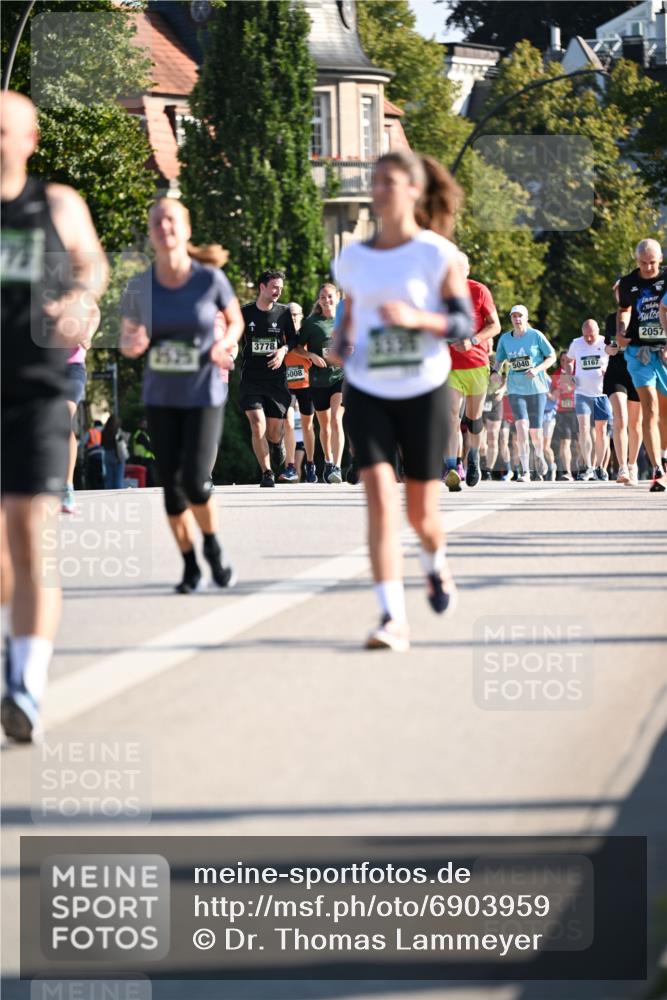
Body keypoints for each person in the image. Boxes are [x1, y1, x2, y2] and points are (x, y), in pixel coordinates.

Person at [333, 150, 472, 651]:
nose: (381, 190)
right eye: (376, 181)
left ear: (413, 190)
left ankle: (435, 564)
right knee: (377, 500)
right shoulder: (352, 257)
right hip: (368, 388)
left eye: (390, 181)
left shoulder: (437, 254)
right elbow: (352, 318)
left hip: (423, 389)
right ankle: (392, 617)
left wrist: (419, 321)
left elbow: (462, 323)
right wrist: (340, 341)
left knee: (421, 517)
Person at [1, 91, 106, 742]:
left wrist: (76, 296)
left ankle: (26, 687)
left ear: (30, 138)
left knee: (31, 530)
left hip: (39, 390)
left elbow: (91, 264)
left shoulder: (56, 204)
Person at [120, 197, 243, 593]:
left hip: (203, 393)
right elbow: (126, 337)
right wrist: (133, 343)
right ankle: (190, 565)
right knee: (170, 489)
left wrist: (224, 343)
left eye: (171, 220)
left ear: (186, 229)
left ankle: (211, 544)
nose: (164, 227)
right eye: (157, 221)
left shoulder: (209, 279)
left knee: (194, 482)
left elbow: (236, 319)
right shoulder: (140, 285)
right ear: (151, 232)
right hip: (162, 396)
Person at [443, 253, 500, 491]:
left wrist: (473, 340)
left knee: (474, 420)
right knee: (451, 416)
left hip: (476, 364)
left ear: (467, 270)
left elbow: (495, 326)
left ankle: (474, 457)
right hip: (448, 365)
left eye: (459, 268)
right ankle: (451, 467)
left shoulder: (479, 291)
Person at [239, 270, 298, 488]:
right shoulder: (244, 313)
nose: (278, 291)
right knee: (257, 425)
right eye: (274, 287)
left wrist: (283, 350)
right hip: (252, 379)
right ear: (262, 287)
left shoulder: (284, 313)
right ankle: (267, 472)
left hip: (276, 380)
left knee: (274, 432)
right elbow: (233, 337)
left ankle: (276, 444)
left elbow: (294, 340)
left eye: (281, 288)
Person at [617, 238, 667, 492]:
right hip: (639, 352)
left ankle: (665, 457)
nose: (648, 268)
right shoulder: (628, 283)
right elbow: (624, 309)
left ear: (660, 260)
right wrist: (621, 328)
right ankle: (657, 468)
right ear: (636, 260)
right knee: (650, 406)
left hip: (665, 351)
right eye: (643, 263)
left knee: (665, 414)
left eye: (653, 263)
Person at [491, 305, 556, 483]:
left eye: (520, 316)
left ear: (526, 318)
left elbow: (552, 357)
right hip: (515, 389)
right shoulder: (505, 339)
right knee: (521, 428)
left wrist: (537, 369)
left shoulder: (536, 335)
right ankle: (525, 471)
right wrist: (495, 372)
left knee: (535, 432)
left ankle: (539, 455)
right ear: (511, 319)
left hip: (537, 389)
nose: (517, 319)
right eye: (514, 316)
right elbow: (499, 361)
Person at [297, 283, 345, 484]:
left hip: (340, 377)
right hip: (318, 380)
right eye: (323, 297)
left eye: (330, 297)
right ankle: (328, 460)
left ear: (337, 297)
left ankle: (337, 467)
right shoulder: (311, 323)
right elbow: (297, 347)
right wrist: (311, 356)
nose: (327, 301)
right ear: (319, 300)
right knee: (324, 427)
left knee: (336, 419)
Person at [603, 281, 642, 487]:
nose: (620, 294)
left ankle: (633, 464)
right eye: (617, 291)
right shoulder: (611, 319)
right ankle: (622, 467)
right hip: (616, 372)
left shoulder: (643, 318)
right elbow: (608, 347)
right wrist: (612, 348)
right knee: (621, 419)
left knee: (635, 424)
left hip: (638, 372)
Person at [566, 319, 611, 481]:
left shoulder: (606, 342)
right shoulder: (576, 343)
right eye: (586, 336)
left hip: (602, 393)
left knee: (601, 429)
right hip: (582, 393)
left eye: (591, 336)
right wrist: (570, 374)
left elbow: (615, 359)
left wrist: (608, 370)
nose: (589, 339)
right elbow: (568, 359)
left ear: (598, 331)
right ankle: (588, 467)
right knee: (583, 427)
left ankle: (600, 467)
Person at [281, 302, 317, 483]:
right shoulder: (281, 334)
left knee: (307, 426)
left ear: (302, 316)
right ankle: (290, 467)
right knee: (288, 422)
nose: (293, 317)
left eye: (296, 314)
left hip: (306, 386)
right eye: (290, 314)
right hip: (287, 386)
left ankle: (310, 464)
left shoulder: (307, 334)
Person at [61, 345, 88, 513]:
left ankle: (67, 487)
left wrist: (88, 331)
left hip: (73, 368)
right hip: (43, 366)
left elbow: (92, 319)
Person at [550, 352, 578, 481]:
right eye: (562, 360)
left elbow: (579, 386)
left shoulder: (578, 371)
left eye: (568, 360)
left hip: (579, 411)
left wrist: (570, 385)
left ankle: (584, 469)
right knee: (565, 442)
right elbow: (554, 395)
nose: (565, 363)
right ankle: (567, 472)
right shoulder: (556, 374)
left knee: (579, 444)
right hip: (563, 412)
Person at [481, 354, 507, 480]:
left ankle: (488, 471)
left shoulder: (500, 358)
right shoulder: (479, 357)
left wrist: (502, 390)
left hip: (495, 400)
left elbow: (508, 378)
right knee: (479, 442)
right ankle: (478, 464)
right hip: (480, 399)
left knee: (493, 437)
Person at [102, 413, 129, 490]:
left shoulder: (104, 432)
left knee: (109, 479)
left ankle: (108, 495)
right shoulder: (118, 432)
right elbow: (124, 443)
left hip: (107, 455)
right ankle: (118, 497)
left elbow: (102, 444)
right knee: (118, 479)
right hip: (118, 456)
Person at [130, 417, 157, 487]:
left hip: (143, 459)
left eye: (146, 424)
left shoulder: (142, 434)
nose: (145, 425)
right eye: (143, 424)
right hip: (144, 460)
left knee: (146, 479)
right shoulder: (140, 435)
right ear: (139, 425)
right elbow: (148, 446)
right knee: (150, 480)